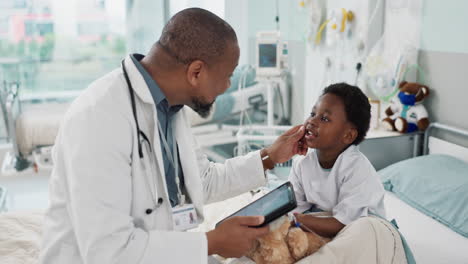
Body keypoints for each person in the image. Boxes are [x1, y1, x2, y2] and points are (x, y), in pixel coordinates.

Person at [40, 8, 306, 264]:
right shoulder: (99, 118)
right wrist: (211, 242)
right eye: (227, 76)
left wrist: (271, 156)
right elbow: (109, 253)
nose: (226, 87)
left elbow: (201, 182)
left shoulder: (170, 108)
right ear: (196, 72)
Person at [290, 83, 386, 238]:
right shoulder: (302, 162)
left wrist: (297, 221)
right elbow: (294, 207)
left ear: (348, 135)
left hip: (362, 228)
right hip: (322, 221)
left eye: (325, 118)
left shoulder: (356, 168)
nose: (312, 121)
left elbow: (344, 223)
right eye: (312, 113)